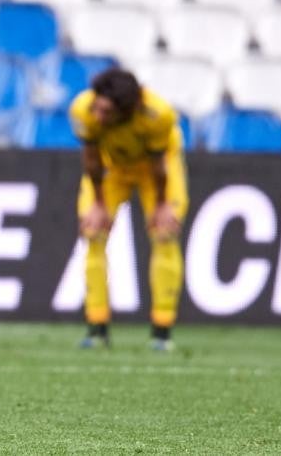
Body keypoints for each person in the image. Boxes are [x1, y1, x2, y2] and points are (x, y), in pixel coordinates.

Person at [69, 68, 186, 351]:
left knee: (164, 233)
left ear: (130, 108)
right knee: (93, 231)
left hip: (154, 172)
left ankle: (162, 330)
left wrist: (160, 205)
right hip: (113, 169)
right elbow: (92, 160)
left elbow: (159, 168)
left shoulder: (158, 115)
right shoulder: (84, 109)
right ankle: (97, 327)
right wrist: (98, 203)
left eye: (107, 112)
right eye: (97, 108)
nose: (98, 116)